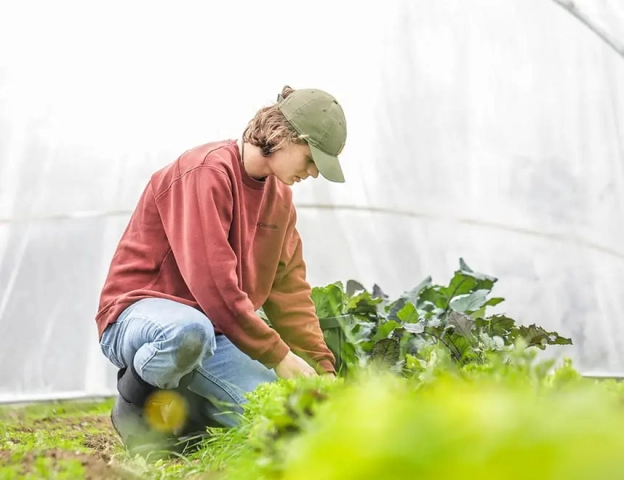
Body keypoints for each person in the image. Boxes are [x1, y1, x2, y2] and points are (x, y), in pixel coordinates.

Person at [95, 85, 348, 456]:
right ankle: (135, 406)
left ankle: (193, 413)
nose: (312, 173)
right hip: (140, 315)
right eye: (311, 159)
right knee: (188, 332)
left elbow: (289, 291)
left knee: (286, 423)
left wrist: (323, 368)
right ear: (284, 136)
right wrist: (278, 355)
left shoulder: (280, 202)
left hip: (218, 331)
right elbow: (213, 285)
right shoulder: (206, 172)